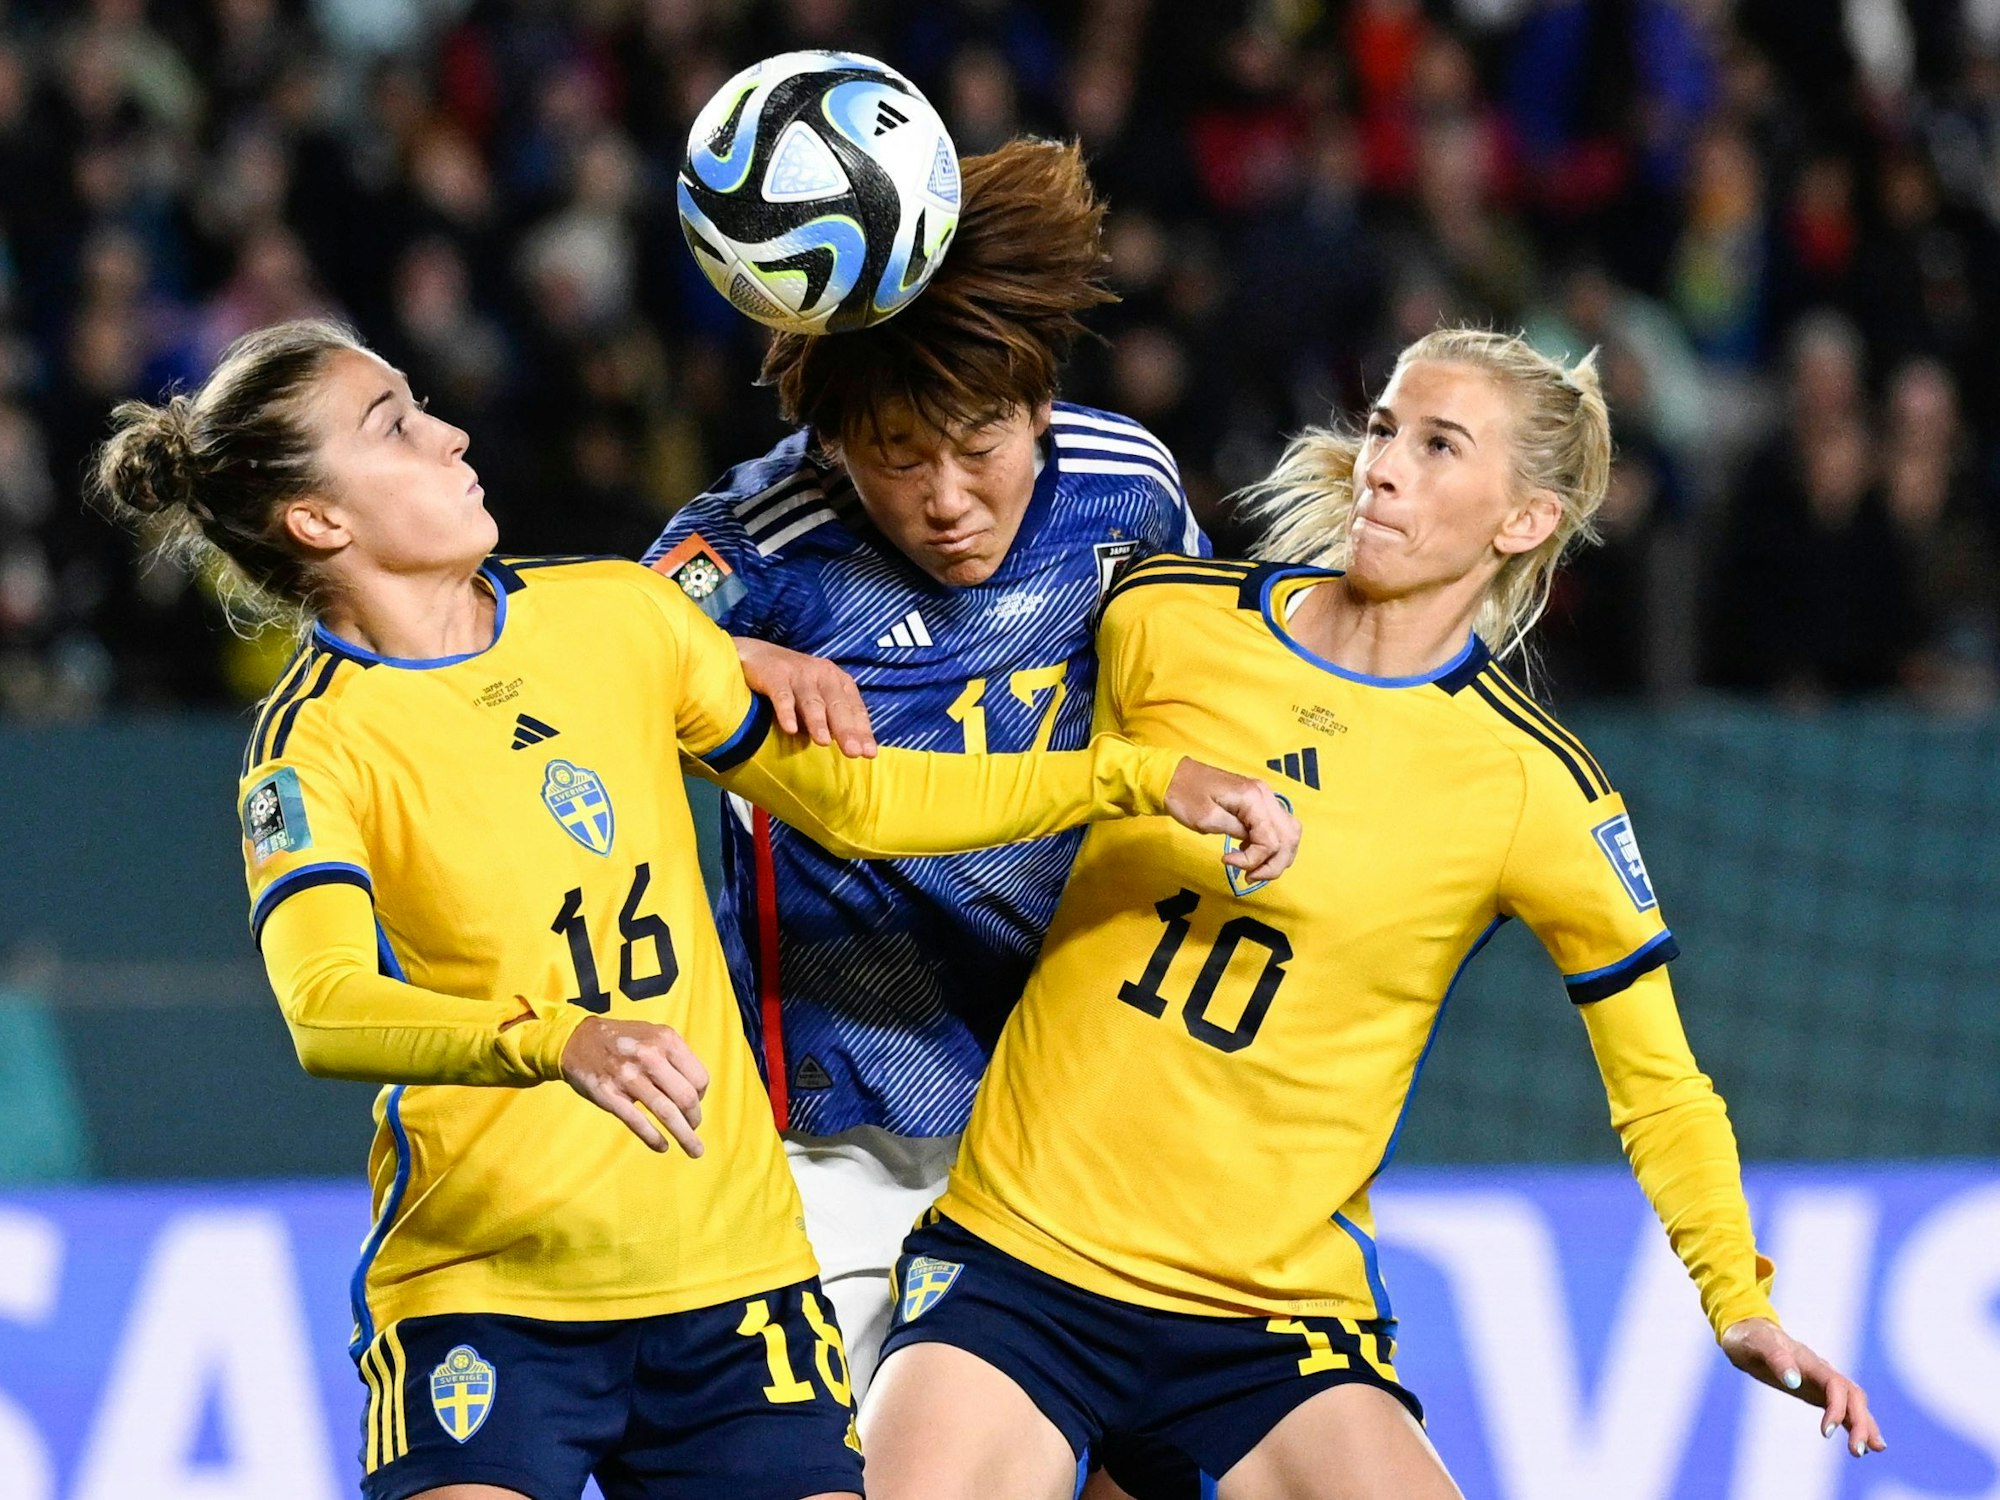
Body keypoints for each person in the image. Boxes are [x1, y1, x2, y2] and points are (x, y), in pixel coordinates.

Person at [89, 318, 1297, 1500]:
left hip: (731, 1276)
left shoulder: (612, 613)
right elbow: (326, 1011)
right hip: (493, 1287)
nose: (452, 434)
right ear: (318, 520)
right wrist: (557, 1039)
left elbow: (858, 804)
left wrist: (1137, 777)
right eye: (394, 426)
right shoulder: (314, 749)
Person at [859, 327, 1886, 1500]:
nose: (1382, 465)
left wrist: (1734, 1302)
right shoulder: (1162, 619)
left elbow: (1659, 1085)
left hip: (1270, 1327)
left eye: (1438, 446)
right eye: (1385, 427)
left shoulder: (1531, 790)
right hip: (1024, 1263)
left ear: (1523, 522)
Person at [644, 138, 1204, 1401]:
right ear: (836, 446)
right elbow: (578, 665)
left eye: (980, 444)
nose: (947, 498)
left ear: (1039, 405)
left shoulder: (1128, 493)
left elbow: (1207, 700)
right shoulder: (754, 544)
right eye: (898, 457)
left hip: (1071, 1103)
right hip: (837, 1132)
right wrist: (718, 652)